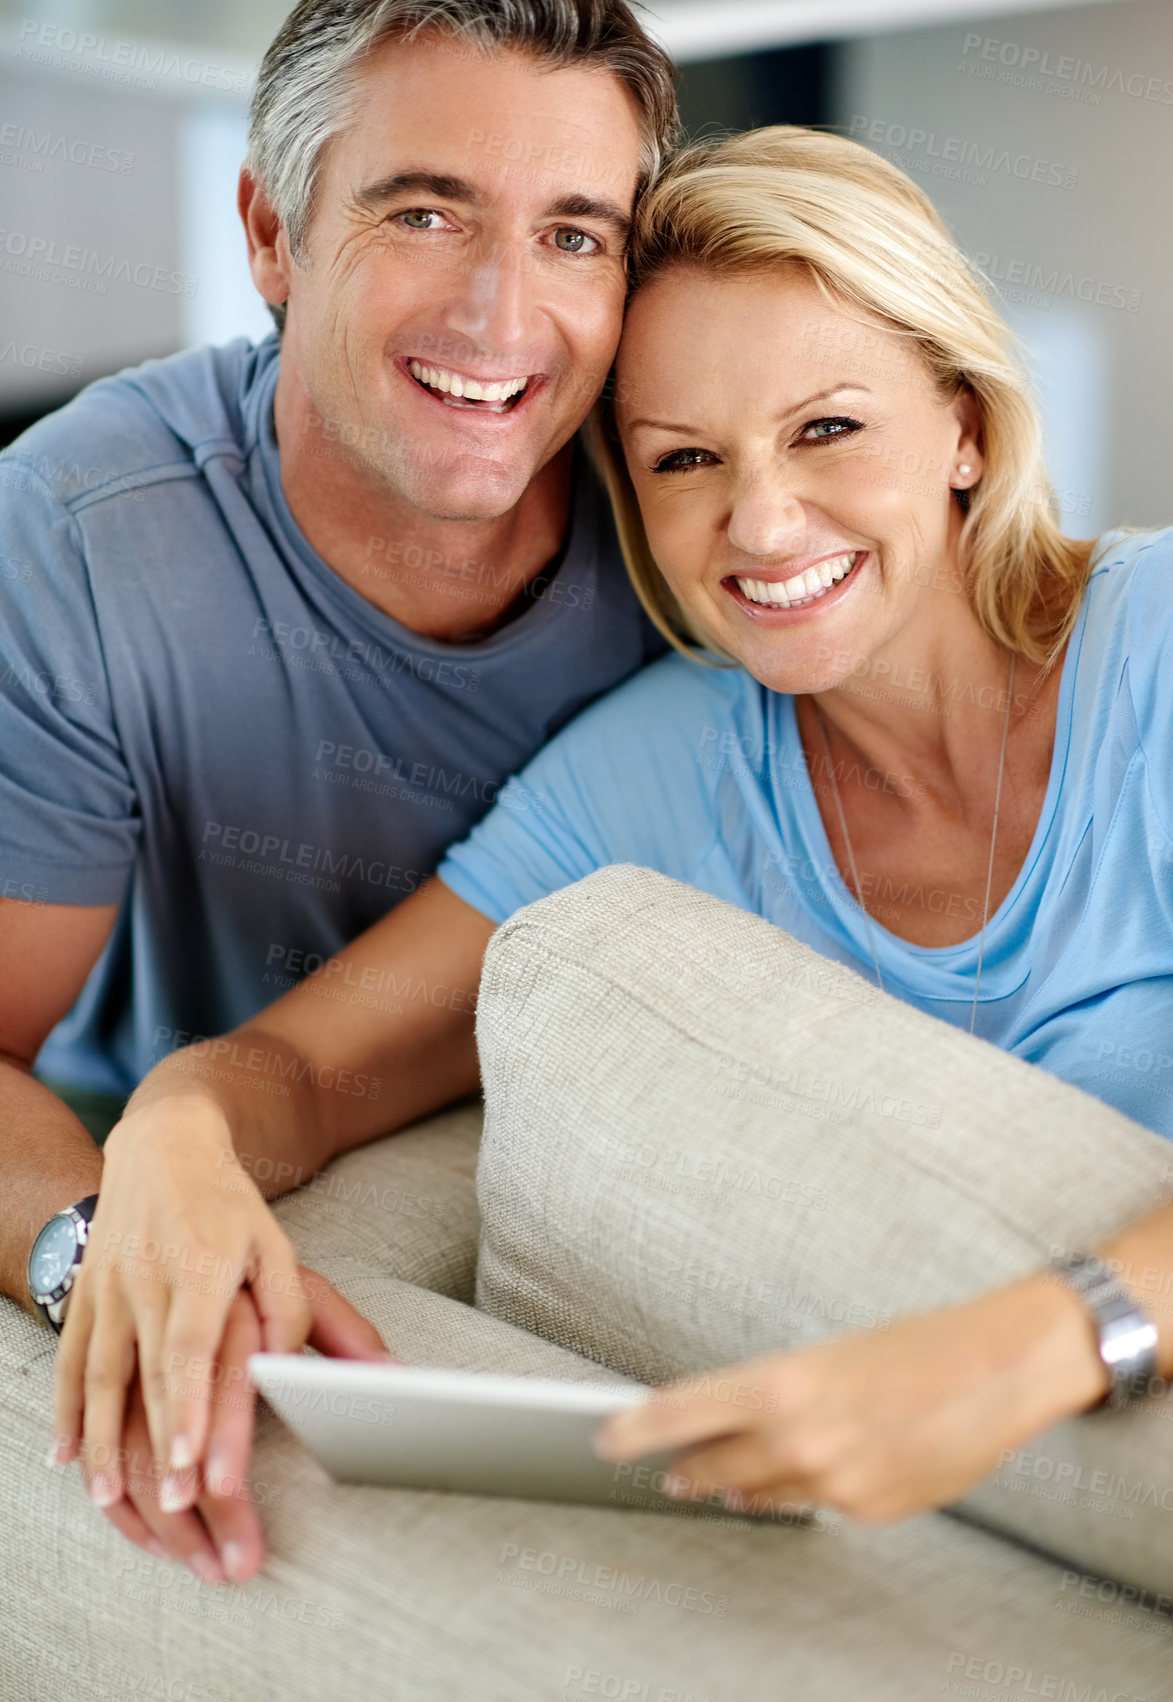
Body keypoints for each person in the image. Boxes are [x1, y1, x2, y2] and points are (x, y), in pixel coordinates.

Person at [47, 125, 1173, 1574]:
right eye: (685, 458)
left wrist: (1025, 1347)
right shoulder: (661, 767)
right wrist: (176, 1128)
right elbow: (311, 1064)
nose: (760, 522)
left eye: (826, 428)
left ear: (961, 423)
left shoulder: (1148, 652)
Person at [3, 0, 677, 1581]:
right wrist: (104, 1252)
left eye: (575, 234)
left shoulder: (704, 515)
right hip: (183, 1117)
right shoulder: (84, 537)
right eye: (426, 212)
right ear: (270, 231)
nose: (504, 315)